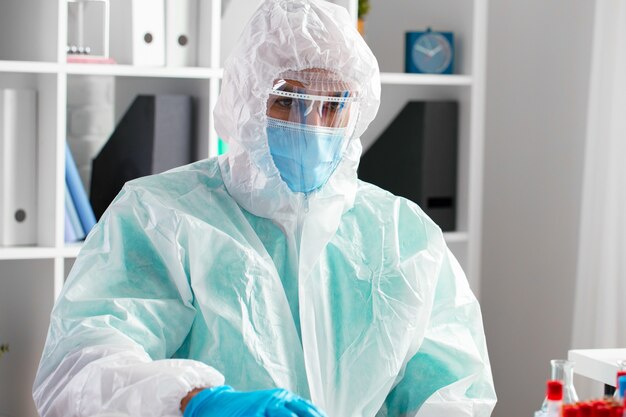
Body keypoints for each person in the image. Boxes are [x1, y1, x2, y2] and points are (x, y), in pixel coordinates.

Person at [33, 0, 497, 416]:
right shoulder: (161, 217)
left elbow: (455, 393)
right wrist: (196, 401)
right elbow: (79, 368)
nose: (311, 125)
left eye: (333, 104)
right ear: (245, 100)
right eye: (287, 100)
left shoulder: (402, 235)